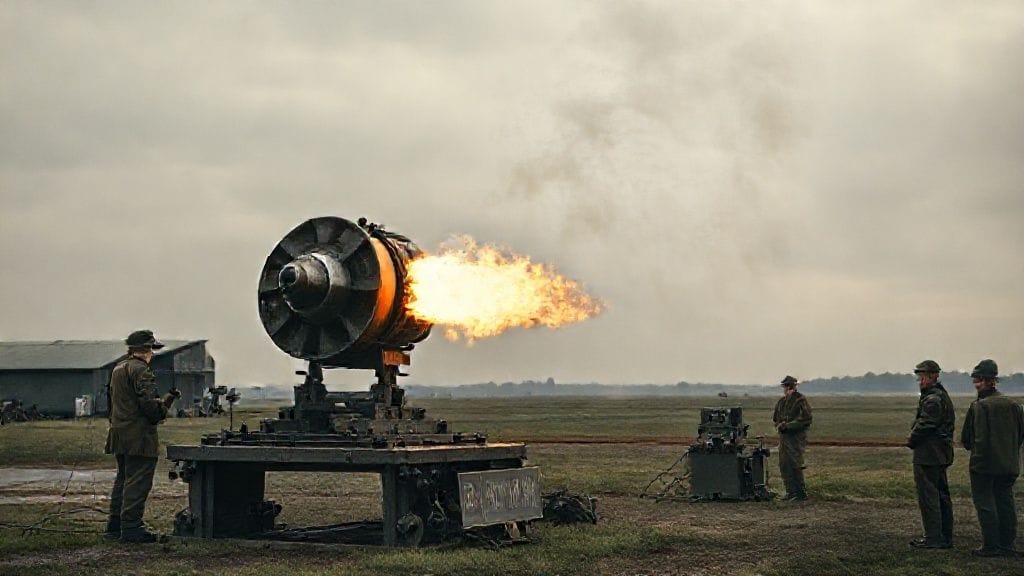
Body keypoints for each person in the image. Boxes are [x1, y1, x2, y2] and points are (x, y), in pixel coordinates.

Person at [104, 330, 179, 543]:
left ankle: (114, 525)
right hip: (139, 436)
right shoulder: (142, 371)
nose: (152, 354)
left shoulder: (119, 369)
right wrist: (163, 408)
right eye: (151, 350)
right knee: (137, 482)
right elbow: (148, 406)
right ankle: (131, 528)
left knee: (123, 480)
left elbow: (113, 403)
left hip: (119, 433)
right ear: (146, 350)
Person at [961, 359, 1024, 557]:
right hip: (1009, 464)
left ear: (990, 381)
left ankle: (990, 545)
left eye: (979, 380)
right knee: (1006, 502)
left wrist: (977, 463)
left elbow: (972, 439)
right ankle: (1007, 544)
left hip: (985, 465)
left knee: (985, 503)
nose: (976, 384)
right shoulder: (1015, 405)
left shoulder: (980, 406)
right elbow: (1020, 435)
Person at [906, 359, 955, 549]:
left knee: (929, 497)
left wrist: (912, 439)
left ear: (933, 376)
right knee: (941, 495)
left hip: (929, 455)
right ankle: (944, 536)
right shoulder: (940, 396)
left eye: (923, 377)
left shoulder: (933, 399)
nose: (920, 381)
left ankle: (934, 537)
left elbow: (926, 424)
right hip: (939, 454)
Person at [772, 375, 813, 500]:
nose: (783, 389)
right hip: (784, 438)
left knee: (795, 464)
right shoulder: (781, 402)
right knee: (784, 464)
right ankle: (790, 492)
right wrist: (779, 425)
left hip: (796, 438)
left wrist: (788, 426)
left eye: (784, 386)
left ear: (788, 386)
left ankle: (800, 493)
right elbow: (775, 418)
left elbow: (806, 419)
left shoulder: (800, 400)